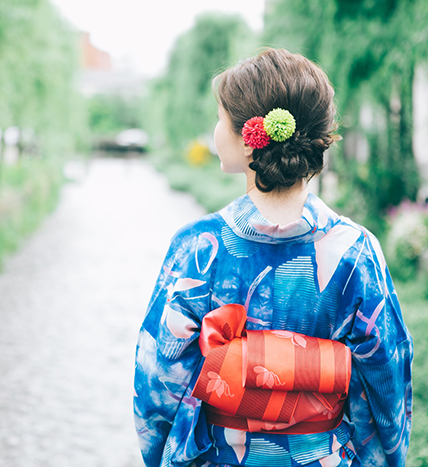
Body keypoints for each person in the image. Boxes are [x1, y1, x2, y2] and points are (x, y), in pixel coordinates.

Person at [133, 48, 413, 467]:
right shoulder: (357, 250)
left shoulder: (198, 245)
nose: (215, 129)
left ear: (249, 138)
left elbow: (158, 380)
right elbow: (387, 379)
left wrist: (163, 457)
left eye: (219, 118)